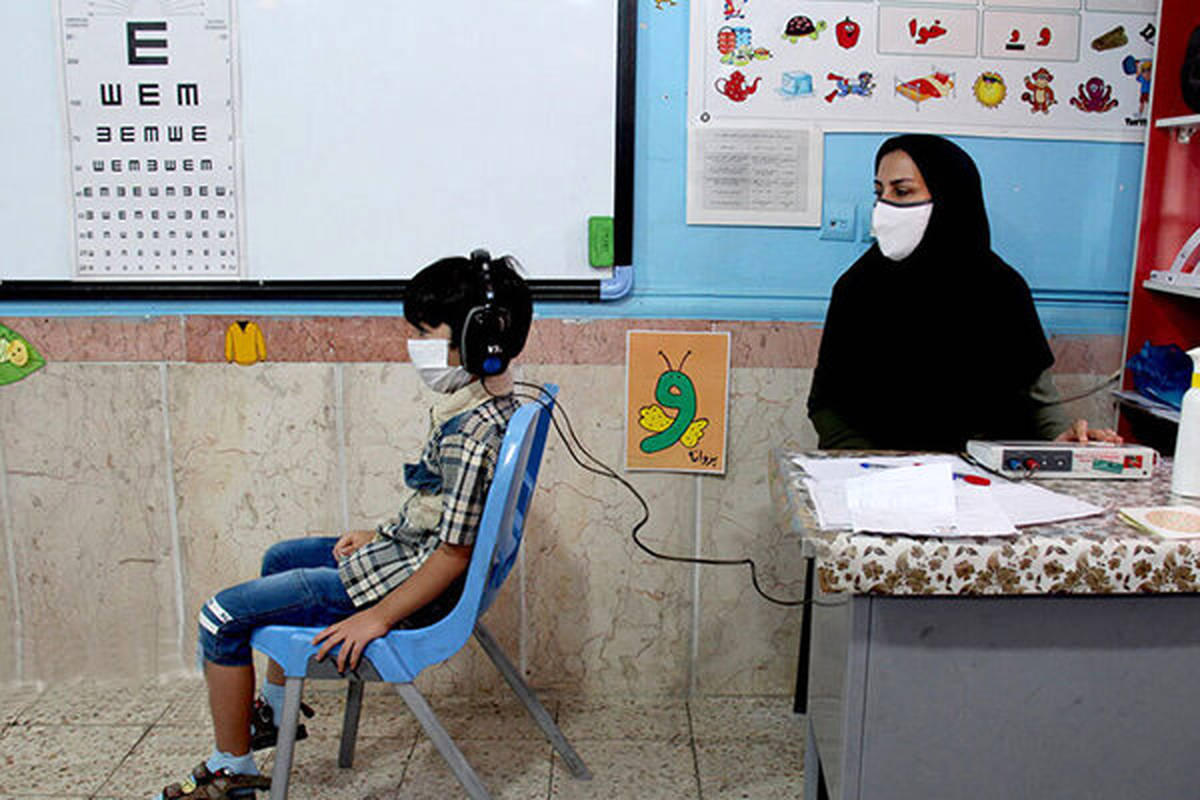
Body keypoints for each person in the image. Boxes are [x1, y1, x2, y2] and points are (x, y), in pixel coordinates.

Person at [152, 251, 533, 800]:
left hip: (409, 591)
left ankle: (231, 772)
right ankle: (276, 715)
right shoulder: (487, 407)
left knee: (221, 619)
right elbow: (439, 510)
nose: (415, 345)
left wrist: (377, 617)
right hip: (408, 562)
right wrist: (381, 534)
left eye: (425, 333)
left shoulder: (472, 436)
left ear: (478, 339)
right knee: (282, 558)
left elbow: (455, 553)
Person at [807, 134, 1119, 452]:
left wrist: (1064, 443)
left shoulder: (1002, 289)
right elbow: (827, 405)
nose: (883, 206)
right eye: (878, 193)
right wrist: (872, 465)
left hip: (986, 473)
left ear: (950, 197)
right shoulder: (858, 289)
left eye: (901, 192)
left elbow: (1038, 400)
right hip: (879, 471)